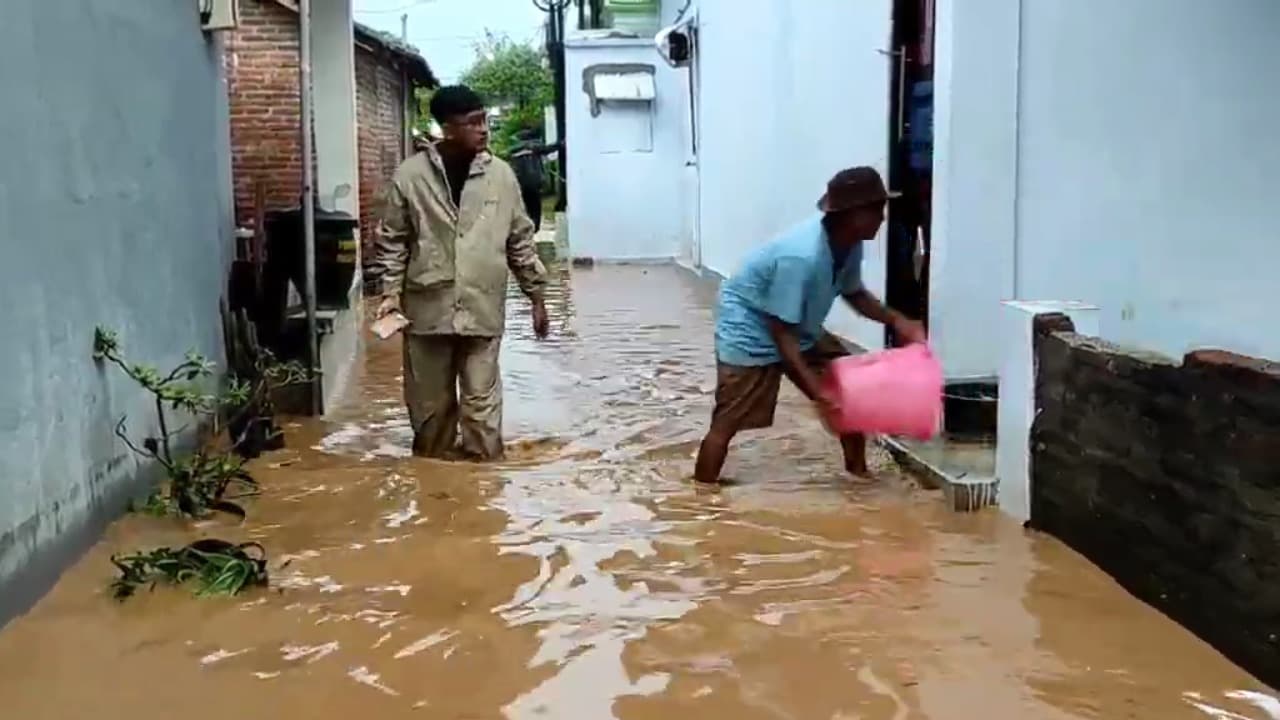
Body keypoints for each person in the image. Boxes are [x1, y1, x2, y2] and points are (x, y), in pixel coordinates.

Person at [694, 166, 927, 484]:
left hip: (795, 323)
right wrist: (818, 391)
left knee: (851, 395)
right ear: (852, 215)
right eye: (876, 210)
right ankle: (702, 500)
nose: (883, 219)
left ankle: (859, 478)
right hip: (750, 325)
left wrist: (899, 321)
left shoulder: (849, 243)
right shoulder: (801, 256)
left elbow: (853, 293)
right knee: (727, 423)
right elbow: (780, 332)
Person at [373, 85, 549, 461]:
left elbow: (520, 239)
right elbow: (394, 241)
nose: (484, 129)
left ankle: (483, 492)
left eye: (484, 120)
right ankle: (436, 491)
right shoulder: (411, 177)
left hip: (482, 307)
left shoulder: (501, 176)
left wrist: (537, 297)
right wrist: (390, 295)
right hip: (428, 312)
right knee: (430, 413)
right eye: (473, 123)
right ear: (447, 129)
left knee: (482, 410)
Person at [508, 129, 560, 231]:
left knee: (525, 207)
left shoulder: (513, 150)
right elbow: (549, 148)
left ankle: (526, 229)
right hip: (534, 182)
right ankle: (534, 228)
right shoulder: (534, 147)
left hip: (520, 183)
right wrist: (561, 144)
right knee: (535, 207)